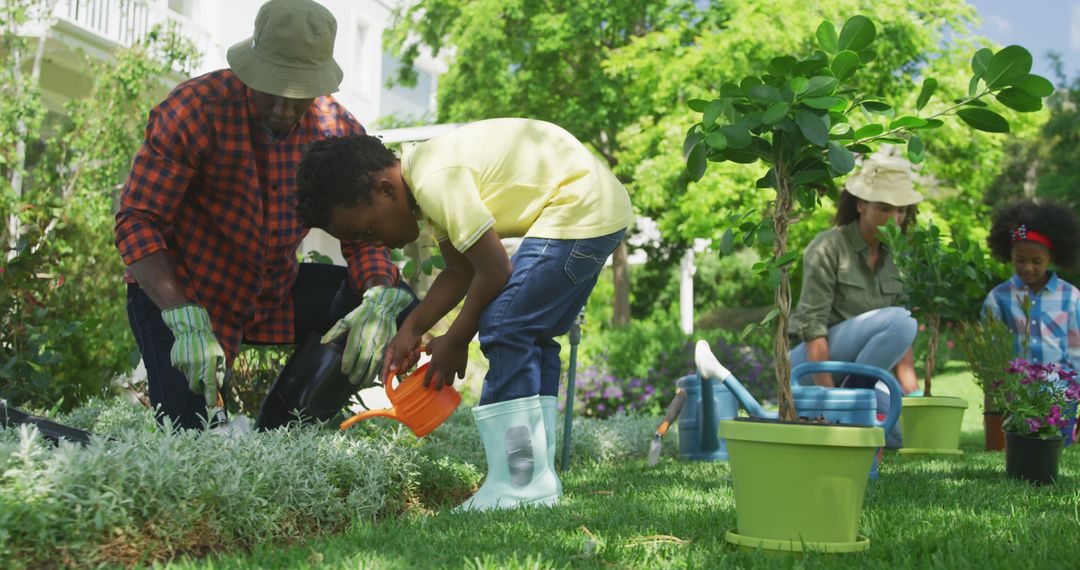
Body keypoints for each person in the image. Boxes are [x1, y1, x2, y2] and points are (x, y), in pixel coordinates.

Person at [295, 118, 634, 510]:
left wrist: (456, 339)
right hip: (594, 207)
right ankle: (534, 477)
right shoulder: (425, 179)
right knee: (527, 334)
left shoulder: (435, 180)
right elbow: (460, 270)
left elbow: (494, 269)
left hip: (579, 208)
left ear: (385, 189)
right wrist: (412, 328)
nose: (378, 244)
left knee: (505, 324)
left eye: (369, 231)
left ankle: (518, 485)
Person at [114, 0, 414, 431]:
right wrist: (181, 313)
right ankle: (200, 422)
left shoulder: (336, 132)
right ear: (249, 69)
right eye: (271, 91)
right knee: (191, 438)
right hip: (181, 294)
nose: (282, 111)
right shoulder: (195, 109)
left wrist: (377, 299)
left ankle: (276, 435)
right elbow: (137, 221)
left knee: (398, 309)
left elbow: (364, 237)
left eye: (296, 97)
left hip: (270, 293)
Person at [787, 156, 923, 445]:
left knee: (897, 438)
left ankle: (857, 401)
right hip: (810, 366)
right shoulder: (828, 247)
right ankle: (846, 405)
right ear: (861, 204)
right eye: (884, 208)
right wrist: (829, 402)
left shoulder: (900, 257)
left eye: (900, 211)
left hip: (858, 374)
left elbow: (901, 344)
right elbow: (813, 328)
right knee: (903, 320)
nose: (894, 219)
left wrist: (913, 398)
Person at [983, 198, 1080, 445]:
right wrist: (992, 404)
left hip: (1060, 395)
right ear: (1009, 255)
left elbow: (1078, 351)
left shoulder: (1071, 297)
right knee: (1022, 447)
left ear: (1051, 257)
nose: (1027, 267)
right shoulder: (998, 298)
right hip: (1016, 396)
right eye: (1020, 260)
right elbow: (991, 355)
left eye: (1037, 261)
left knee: (1056, 448)